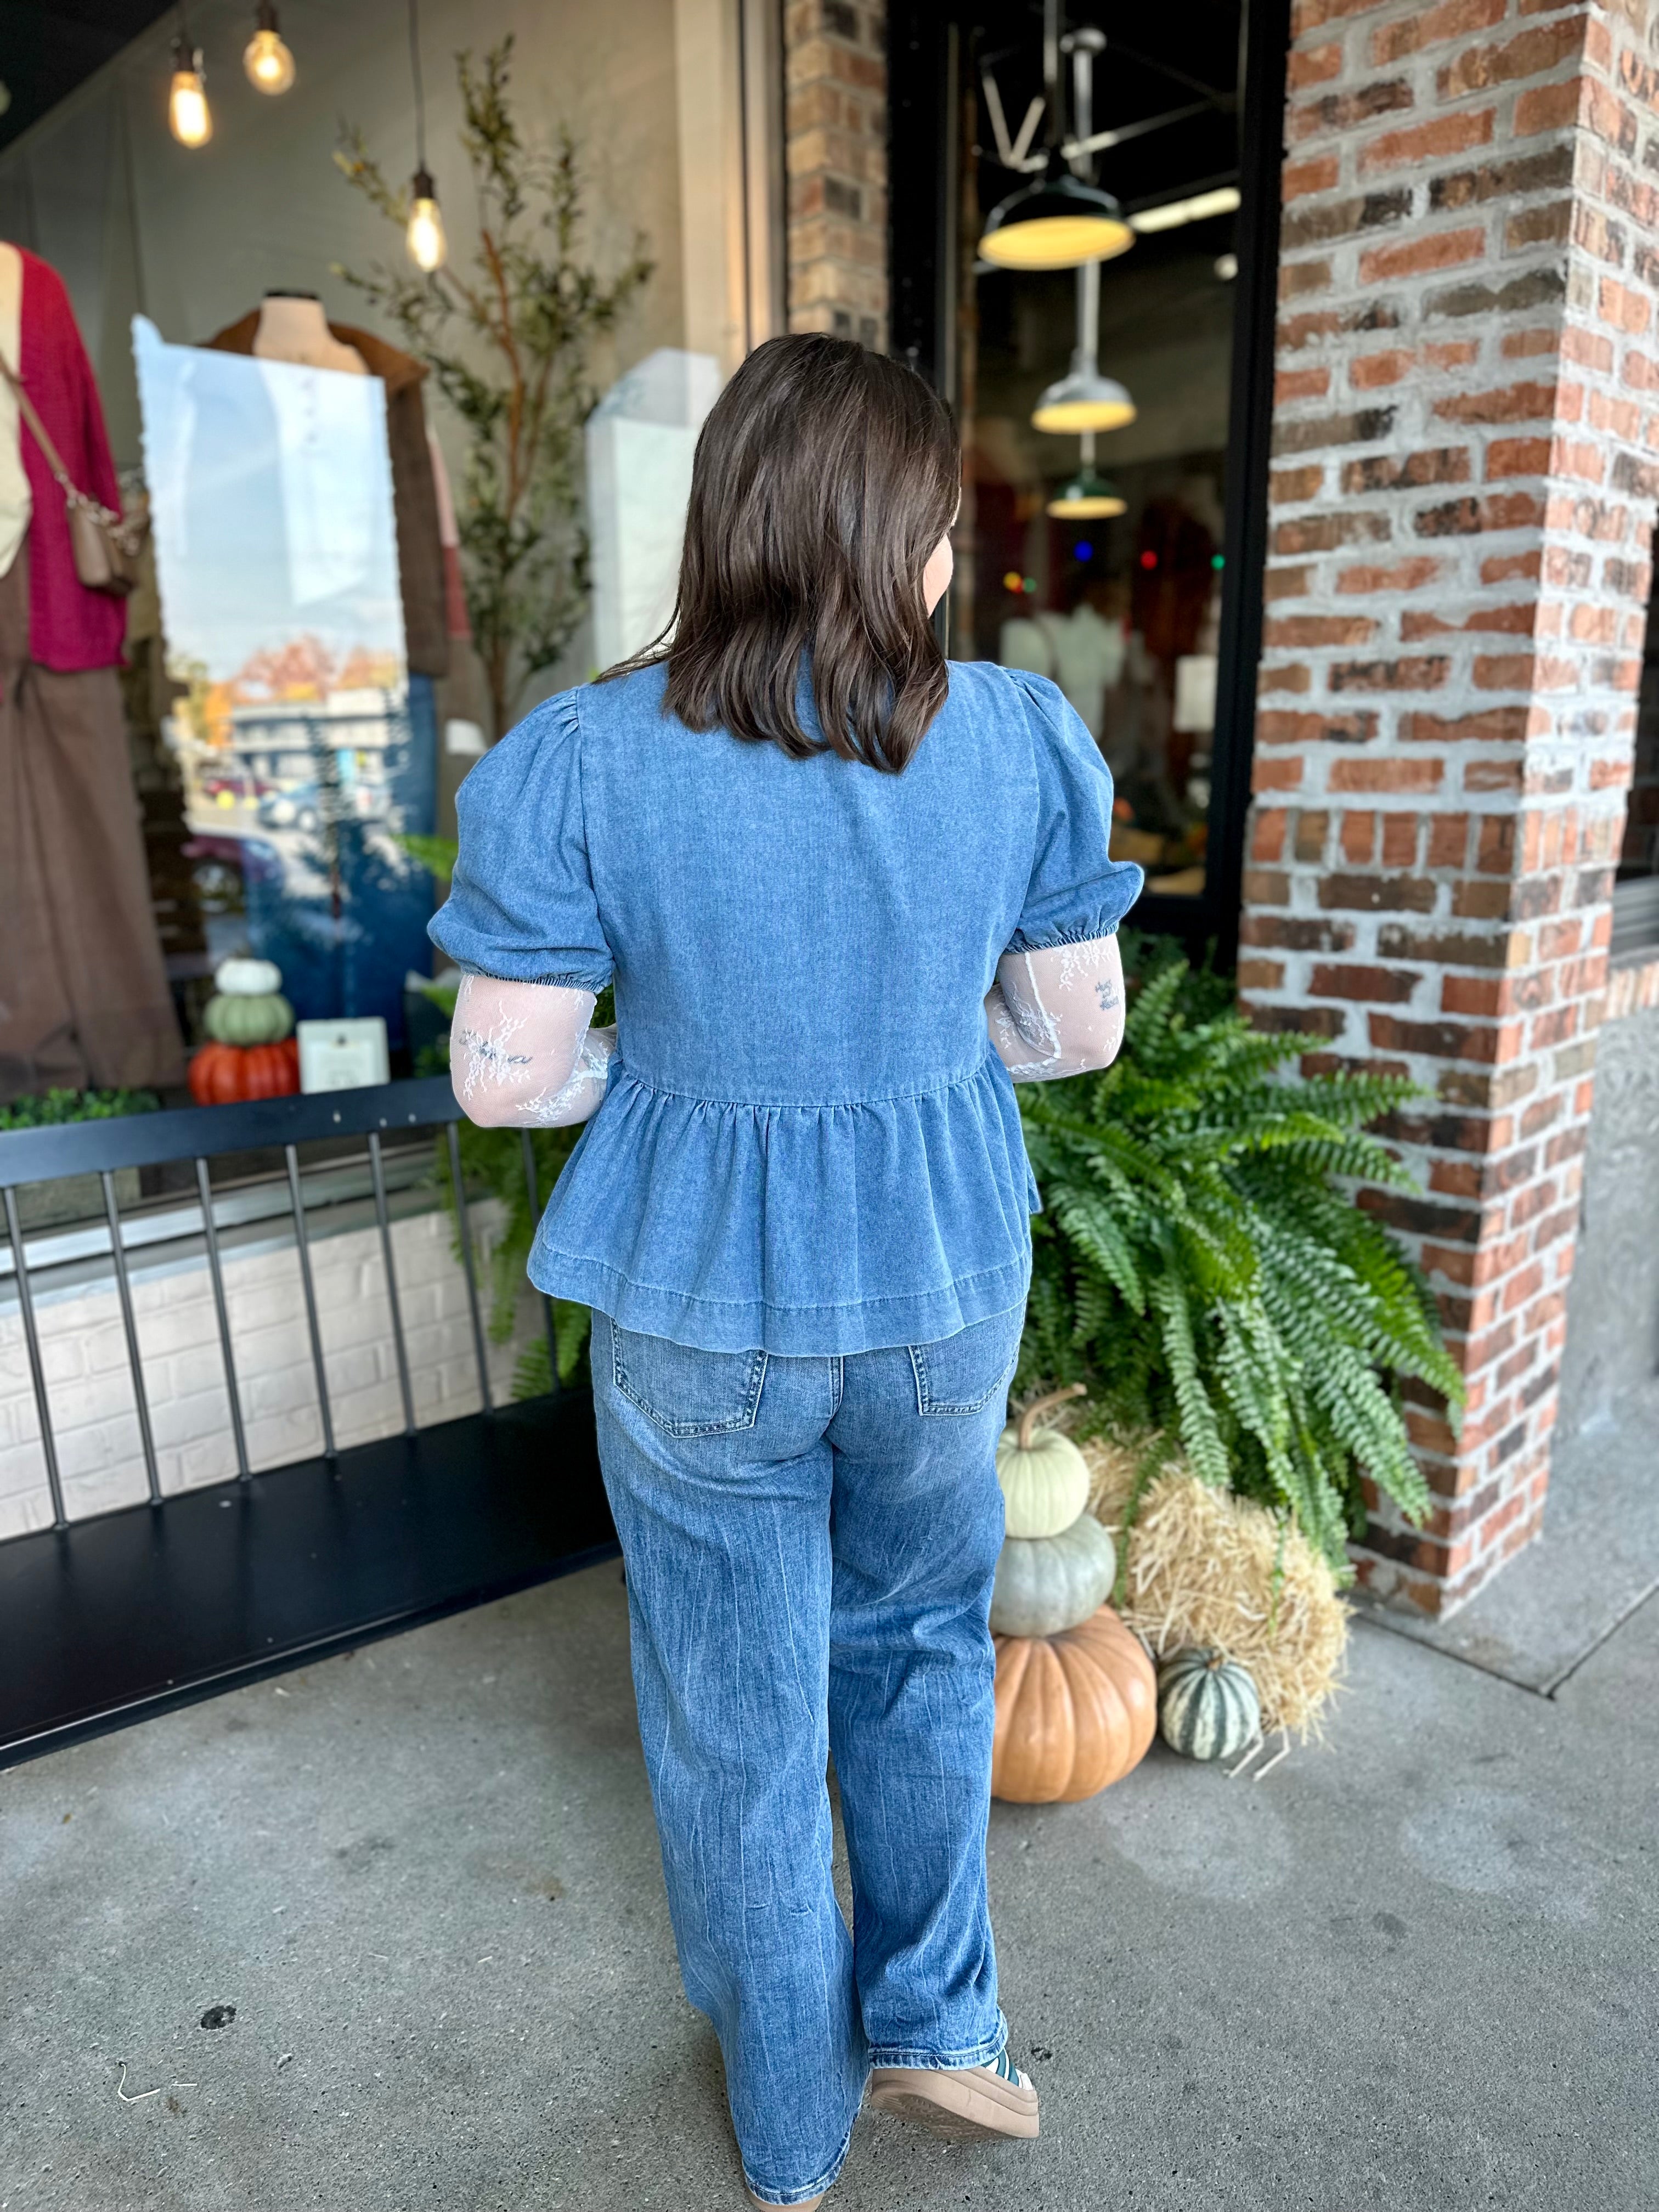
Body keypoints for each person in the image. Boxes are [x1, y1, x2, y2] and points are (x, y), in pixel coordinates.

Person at [430, 332, 1141, 2210]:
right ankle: (942, 2026)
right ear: (902, 534)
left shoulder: (584, 756)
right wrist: (923, 1060)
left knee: (732, 1704)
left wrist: (645, 1079)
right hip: (935, 1289)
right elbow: (1079, 1032)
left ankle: (791, 2124)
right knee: (920, 1645)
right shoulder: (1001, 737)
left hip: (695, 1308)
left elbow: (503, 1075)